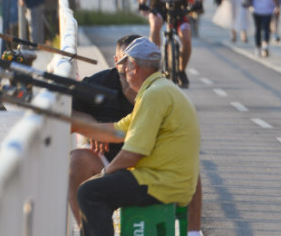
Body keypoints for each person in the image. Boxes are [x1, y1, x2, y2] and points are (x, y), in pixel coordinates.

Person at [69, 34, 203, 234]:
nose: (124, 73)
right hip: (165, 178)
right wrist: (70, 122)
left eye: (127, 68)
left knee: (90, 192)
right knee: (95, 189)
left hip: (160, 182)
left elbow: (133, 153)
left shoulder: (154, 96)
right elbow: (116, 130)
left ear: (135, 68)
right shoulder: (160, 89)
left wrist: (105, 174)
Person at [137, 0, 203, 88]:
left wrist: (197, 2)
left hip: (179, 9)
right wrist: (142, 3)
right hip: (158, 9)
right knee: (155, 25)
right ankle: (155, 59)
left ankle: (181, 71)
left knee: (186, 37)